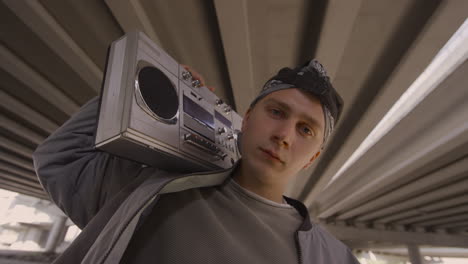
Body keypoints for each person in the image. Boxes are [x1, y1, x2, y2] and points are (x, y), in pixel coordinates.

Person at [33, 59, 359, 264]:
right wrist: (146, 88)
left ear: (312, 158)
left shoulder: (333, 257)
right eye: (276, 112)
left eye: (306, 129)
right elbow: (60, 158)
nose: (284, 134)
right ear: (246, 119)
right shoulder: (155, 190)